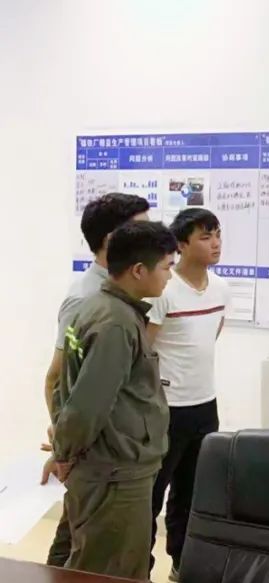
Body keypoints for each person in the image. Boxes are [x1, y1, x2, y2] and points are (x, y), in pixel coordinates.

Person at [49, 221, 177, 579]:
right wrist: (64, 454)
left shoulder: (98, 307)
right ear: (138, 270)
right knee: (111, 571)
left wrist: (65, 450)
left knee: (95, 562)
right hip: (115, 476)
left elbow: (64, 389)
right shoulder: (116, 323)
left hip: (109, 469)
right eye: (166, 267)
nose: (170, 277)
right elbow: (87, 405)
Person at [40, 192, 150, 567]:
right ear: (111, 240)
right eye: (141, 228)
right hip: (100, 459)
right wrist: (65, 448)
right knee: (85, 547)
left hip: (114, 450)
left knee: (81, 539)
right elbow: (57, 379)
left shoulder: (126, 290)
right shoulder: (87, 299)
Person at [146, 209, 229, 580]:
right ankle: (139, 567)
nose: (216, 243)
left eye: (217, 234)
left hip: (205, 405)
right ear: (181, 244)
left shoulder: (221, 288)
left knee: (192, 493)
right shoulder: (163, 290)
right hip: (167, 409)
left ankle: (183, 564)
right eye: (205, 237)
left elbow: (210, 338)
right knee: (152, 494)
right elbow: (144, 351)